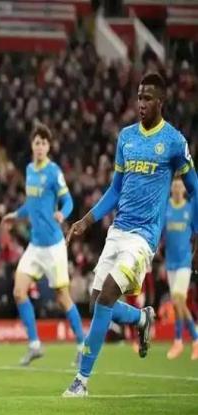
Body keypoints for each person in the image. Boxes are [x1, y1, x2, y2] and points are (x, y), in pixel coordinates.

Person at [63, 72, 198, 397]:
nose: (141, 104)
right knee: (96, 302)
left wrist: (196, 233)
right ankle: (140, 319)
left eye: (147, 98)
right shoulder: (126, 137)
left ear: (161, 102)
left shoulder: (174, 142)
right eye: (139, 97)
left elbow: (194, 189)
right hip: (118, 231)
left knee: (108, 294)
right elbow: (115, 188)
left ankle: (81, 381)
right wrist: (86, 221)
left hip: (143, 237)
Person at [1, 124, 84, 366]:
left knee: (62, 297)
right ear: (32, 145)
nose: (40, 147)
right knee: (19, 291)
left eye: (44, 143)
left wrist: (62, 214)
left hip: (53, 246)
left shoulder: (53, 172)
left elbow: (68, 201)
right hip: (35, 246)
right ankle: (35, 345)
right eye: (37, 142)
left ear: (49, 147)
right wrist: (15, 215)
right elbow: (31, 204)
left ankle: (83, 346)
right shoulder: (29, 170)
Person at [163, 178, 198, 360]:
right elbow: (160, 233)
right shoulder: (165, 207)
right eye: (175, 186)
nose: (177, 189)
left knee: (178, 299)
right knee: (178, 305)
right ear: (171, 188)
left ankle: (193, 339)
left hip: (185, 262)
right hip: (170, 263)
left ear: (184, 189)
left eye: (180, 186)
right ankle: (180, 341)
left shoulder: (190, 208)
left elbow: (196, 233)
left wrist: (195, 256)